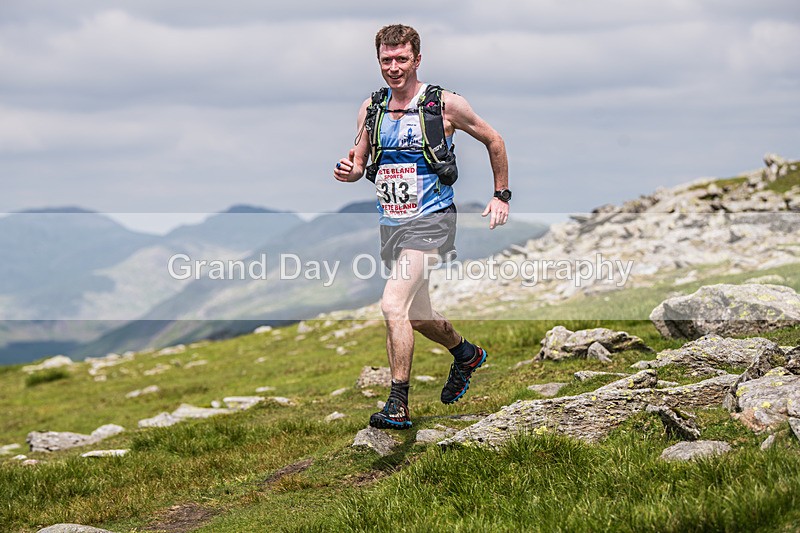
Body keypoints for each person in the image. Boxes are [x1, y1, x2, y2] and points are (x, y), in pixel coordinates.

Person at [334, 24, 510, 429]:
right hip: (391, 224)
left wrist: (501, 195)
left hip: (432, 220)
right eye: (386, 60)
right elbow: (360, 161)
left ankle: (398, 404)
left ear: (417, 59)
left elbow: (494, 139)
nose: (393, 67)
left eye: (401, 59)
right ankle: (466, 353)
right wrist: (349, 171)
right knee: (416, 315)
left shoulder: (444, 104)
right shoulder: (371, 108)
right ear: (378, 60)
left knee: (391, 305)